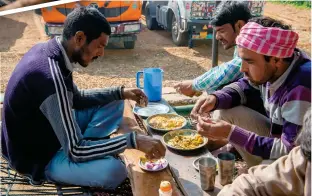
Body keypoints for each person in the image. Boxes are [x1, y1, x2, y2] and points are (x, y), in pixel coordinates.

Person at [1, 6, 166, 189]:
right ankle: (87, 151)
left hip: (52, 131)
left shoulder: (52, 51)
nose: (101, 53)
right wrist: (132, 141)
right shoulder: (50, 77)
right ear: (79, 38)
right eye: (99, 46)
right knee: (114, 171)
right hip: (39, 156)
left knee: (117, 100)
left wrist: (121, 92)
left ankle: (91, 147)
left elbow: (77, 99)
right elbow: (74, 150)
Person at [193, 16, 311, 167]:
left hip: (300, 160)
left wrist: (231, 133)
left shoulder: (301, 87)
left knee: (263, 176)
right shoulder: (273, 69)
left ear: (276, 59)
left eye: (249, 61)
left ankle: (259, 170)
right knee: (223, 112)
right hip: (280, 136)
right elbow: (245, 86)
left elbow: (292, 153)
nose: (242, 69)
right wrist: (216, 98)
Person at [218, 110, 311, 196]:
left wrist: (235, 135)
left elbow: (288, 148)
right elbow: (253, 184)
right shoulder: (305, 160)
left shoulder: (298, 96)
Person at [174, 1, 251, 97]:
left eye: (221, 31)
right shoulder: (241, 42)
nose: (217, 37)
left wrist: (194, 85)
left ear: (239, 25)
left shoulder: (254, 43)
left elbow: (233, 68)